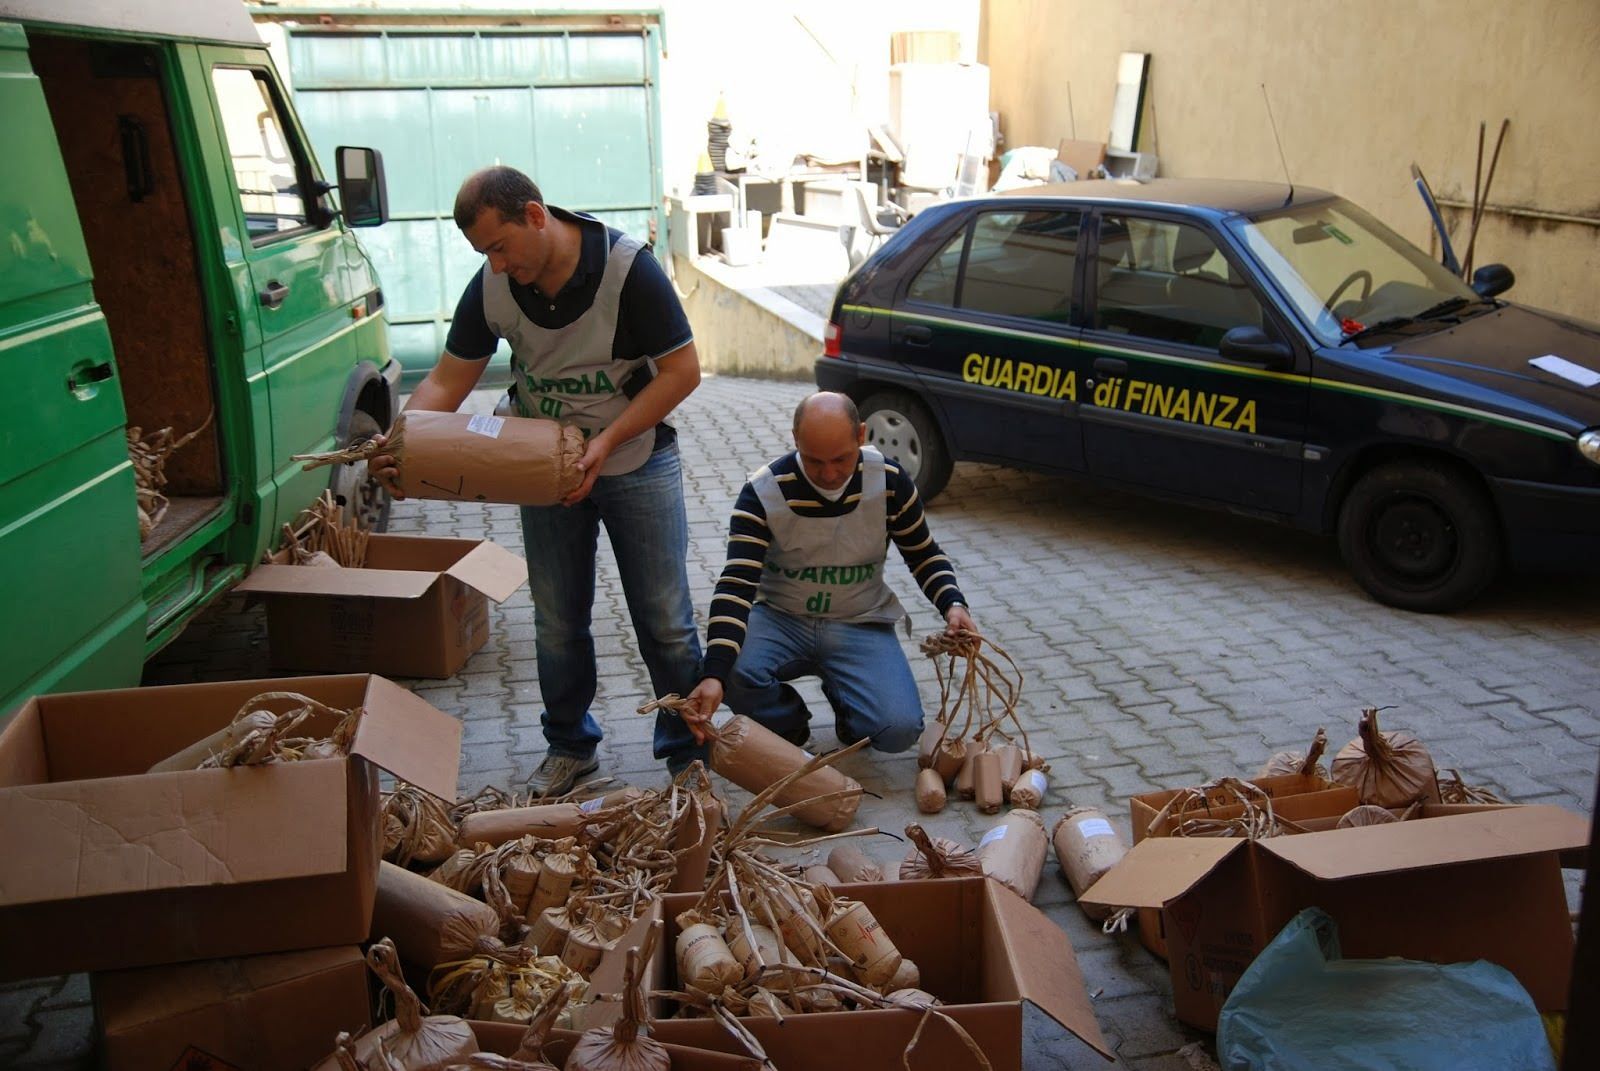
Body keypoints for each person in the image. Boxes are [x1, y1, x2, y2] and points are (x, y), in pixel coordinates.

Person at [370, 165, 705, 795]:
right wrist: (398, 445)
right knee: (556, 618)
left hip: (634, 461)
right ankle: (570, 746)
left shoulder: (628, 270)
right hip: (543, 472)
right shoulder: (494, 287)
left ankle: (687, 752)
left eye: (499, 247)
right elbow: (447, 380)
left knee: (664, 618)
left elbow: (683, 372)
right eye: (482, 254)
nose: (494, 265)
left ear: (533, 214)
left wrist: (605, 442)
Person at [680, 392, 976, 766]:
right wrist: (715, 674)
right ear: (795, 439)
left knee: (898, 730)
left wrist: (953, 604)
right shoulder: (762, 492)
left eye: (841, 459)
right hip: (781, 618)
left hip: (859, 620)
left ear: (861, 435)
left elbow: (923, 553)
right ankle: (789, 725)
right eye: (814, 460)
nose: (830, 474)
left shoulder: (890, 482)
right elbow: (736, 585)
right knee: (734, 670)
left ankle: (850, 707)